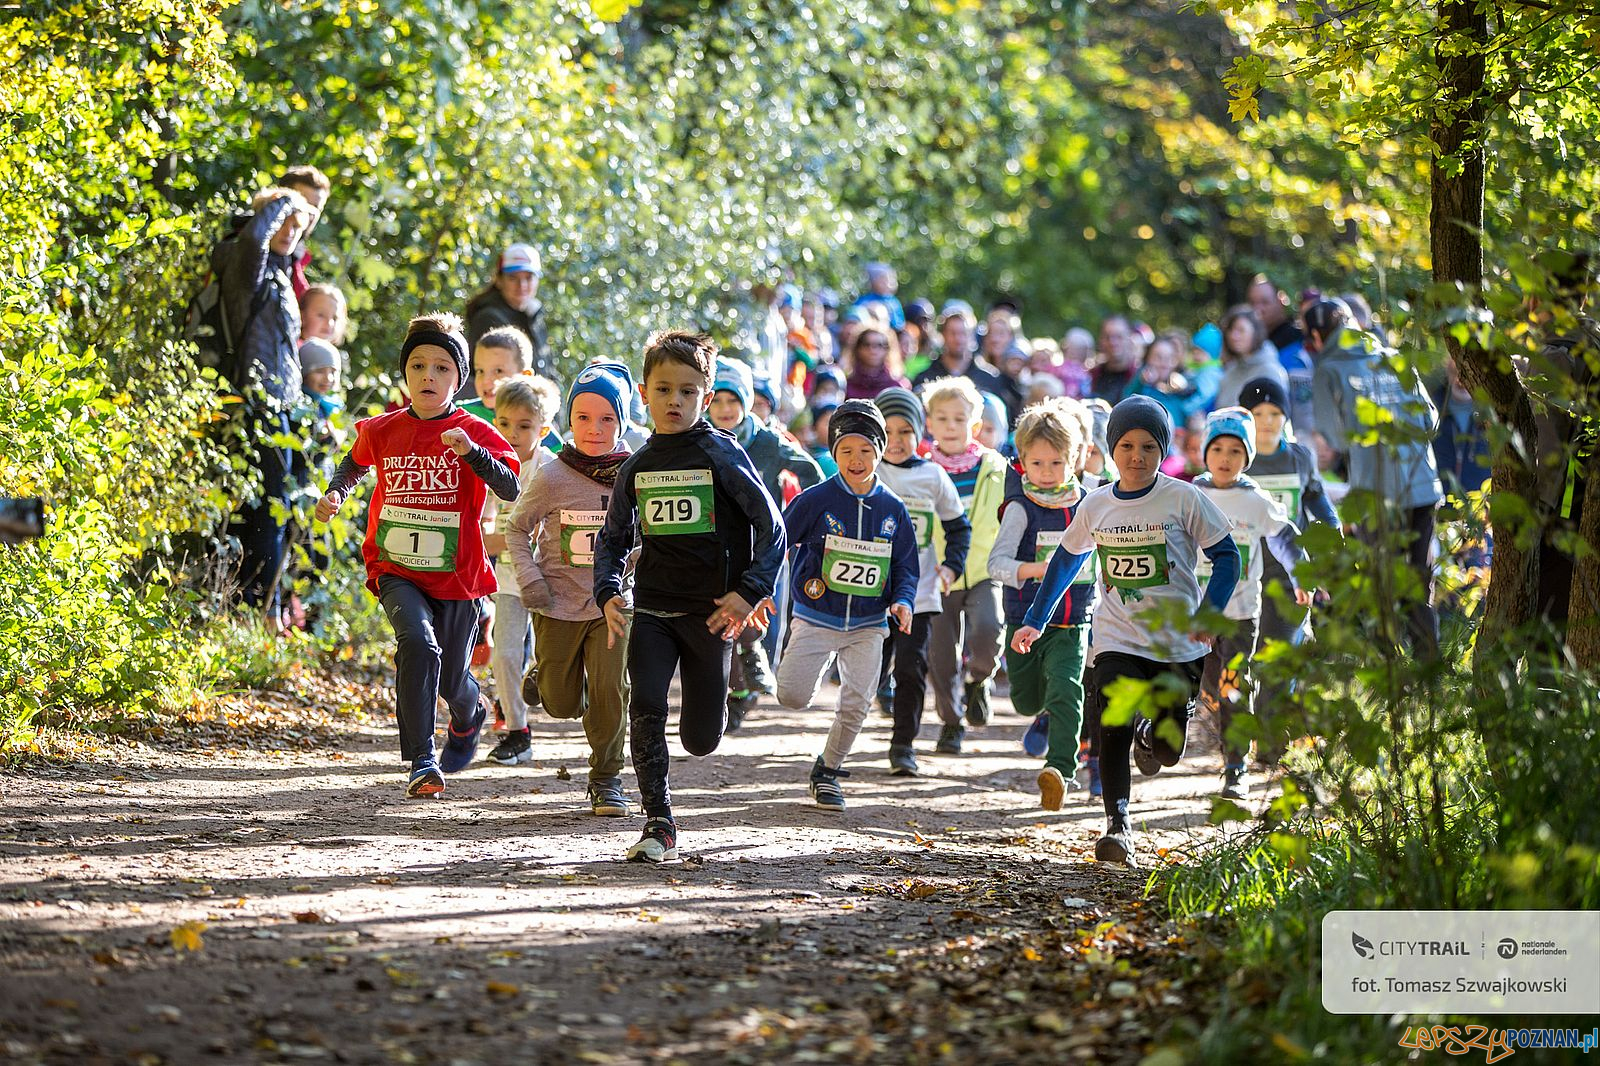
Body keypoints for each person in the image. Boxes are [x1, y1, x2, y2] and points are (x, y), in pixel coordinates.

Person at [1011, 395, 1239, 865]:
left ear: (1163, 449)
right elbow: (1065, 561)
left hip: (1178, 643)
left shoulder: (1183, 498)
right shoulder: (1096, 505)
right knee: (1112, 714)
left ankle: (1150, 734)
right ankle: (1118, 827)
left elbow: (1228, 557)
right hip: (1115, 638)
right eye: (1127, 446)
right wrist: (1036, 619)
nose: (1137, 456)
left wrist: (1208, 614)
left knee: (1169, 749)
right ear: (1111, 450)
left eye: (1149, 447)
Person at [592, 330, 786, 863]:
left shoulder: (722, 456)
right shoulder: (636, 465)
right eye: (663, 389)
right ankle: (659, 821)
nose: (674, 401)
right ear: (644, 394)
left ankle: (720, 701)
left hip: (711, 616)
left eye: (688, 391)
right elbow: (612, 540)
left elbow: (773, 530)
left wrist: (748, 593)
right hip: (652, 607)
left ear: (705, 395)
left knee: (702, 738)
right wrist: (609, 592)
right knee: (647, 705)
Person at [312, 313, 521, 797]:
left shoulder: (476, 430)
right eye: (419, 366)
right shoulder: (383, 430)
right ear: (405, 374)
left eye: (442, 368)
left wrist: (471, 453)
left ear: (458, 377)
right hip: (396, 568)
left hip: (459, 574)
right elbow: (353, 463)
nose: (429, 376)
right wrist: (337, 493)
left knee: (452, 680)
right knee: (418, 645)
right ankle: (423, 760)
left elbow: (510, 486)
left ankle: (471, 712)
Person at [504, 363, 638, 814]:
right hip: (557, 604)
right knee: (561, 704)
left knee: (609, 691)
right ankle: (544, 675)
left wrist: (635, 563)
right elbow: (516, 530)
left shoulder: (634, 474)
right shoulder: (553, 475)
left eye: (606, 419)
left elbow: (651, 535)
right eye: (583, 417)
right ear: (568, 420)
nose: (594, 429)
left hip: (613, 605)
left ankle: (606, 778)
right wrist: (530, 579)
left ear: (622, 422)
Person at [776, 401, 918, 810]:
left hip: (869, 623)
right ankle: (818, 664)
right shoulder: (816, 499)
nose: (856, 461)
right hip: (816, 616)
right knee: (791, 696)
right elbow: (779, 540)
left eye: (866, 452)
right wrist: (765, 586)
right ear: (834, 452)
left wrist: (903, 601)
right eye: (846, 452)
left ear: (880, 452)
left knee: (857, 701)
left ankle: (828, 770)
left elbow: (906, 565)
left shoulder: (892, 508)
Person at [1309, 298, 1443, 656]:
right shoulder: (1395, 357)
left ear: (1317, 338)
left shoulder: (1328, 368)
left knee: (1379, 587)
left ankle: (1390, 681)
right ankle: (1430, 673)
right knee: (1418, 582)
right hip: (1422, 485)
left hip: (1375, 493)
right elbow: (1431, 421)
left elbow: (1335, 438)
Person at [1190, 408, 1309, 800]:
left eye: (1236, 452)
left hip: (1241, 613)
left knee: (1233, 687)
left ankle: (1235, 767)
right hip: (1197, 613)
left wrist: (1301, 575)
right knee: (1208, 687)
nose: (1226, 459)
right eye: (1218, 449)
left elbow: (1285, 538)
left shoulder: (1254, 500)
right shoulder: (1192, 494)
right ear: (1205, 452)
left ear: (1247, 459)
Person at [988, 399, 1097, 811]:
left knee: (1069, 689)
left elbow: (1102, 558)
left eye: (1056, 463)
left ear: (1075, 460)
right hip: (1023, 621)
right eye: (1037, 464)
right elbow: (996, 564)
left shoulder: (1089, 504)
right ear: (1022, 462)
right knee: (1027, 700)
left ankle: (1060, 771)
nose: (1047, 473)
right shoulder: (1020, 508)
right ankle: (1043, 713)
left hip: (1073, 620)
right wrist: (1040, 570)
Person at [214, 186, 315, 619]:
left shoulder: (282, 273)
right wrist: (285, 203)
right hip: (257, 402)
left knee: (276, 509)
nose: (291, 231)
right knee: (262, 510)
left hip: (285, 403)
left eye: (299, 226)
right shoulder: (247, 267)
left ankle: (262, 606)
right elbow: (255, 239)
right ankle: (259, 610)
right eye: (285, 223)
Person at [708, 358, 823, 727]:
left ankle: (751, 672)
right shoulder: (702, 439)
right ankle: (733, 689)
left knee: (766, 613)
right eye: (718, 402)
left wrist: (797, 520)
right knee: (725, 610)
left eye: (734, 401)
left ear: (746, 401)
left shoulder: (767, 441)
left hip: (766, 543)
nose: (725, 411)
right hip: (719, 542)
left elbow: (810, 471)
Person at [1239, 375, 1341, 761]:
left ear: (1285, 416)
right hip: (1245, 573)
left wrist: (1331, 546)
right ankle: (1245, 734)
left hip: (1291, 571)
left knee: (1281, 654)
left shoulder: (1300, 457)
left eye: (1275, 413)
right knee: (1251, 656)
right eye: (1257, 413)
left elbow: (1320, 505)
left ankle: (1270, 745)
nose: (1267, 420)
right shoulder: (1233, 458)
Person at [872, 388, 971, 775]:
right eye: (888, 431)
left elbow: (958, 528)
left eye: (905, 432)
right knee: (868, 672)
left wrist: (950, 568)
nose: (895, 442)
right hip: (871, 594)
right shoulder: (870, 470)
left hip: (921, 595)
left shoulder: (933, 475)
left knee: (912, 669)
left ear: (919, 433)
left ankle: (902, 747)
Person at [478, 375, 561, 762]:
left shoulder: (553, 470)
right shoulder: (494, 468)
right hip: (509, 580)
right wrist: (503, 541)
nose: (512, 433)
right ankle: (516, 731)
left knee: (551, 659)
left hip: (553, 579)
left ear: (543, 428)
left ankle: (547, 686)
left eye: (524, 426)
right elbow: (484, 526)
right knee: (506, 654)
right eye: (504, 424)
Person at [923, 377, 1008, 753]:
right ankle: (951, 721)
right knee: (941, 655)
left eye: (960, 419)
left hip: (985, 570)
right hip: (939, 575)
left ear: (974, 425)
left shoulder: (995, 467)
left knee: (988, 632)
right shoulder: (923, 469)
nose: (951, 426)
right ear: (930, 424)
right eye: (942, 419)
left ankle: (979, 678)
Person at [464, 243, 551, 385]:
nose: (522, 285)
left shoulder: (533, 316)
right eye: (513, 278)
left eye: (528, 278)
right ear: (499, 280)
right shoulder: (488, 319)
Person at [911, 303, 1011, 417]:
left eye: (963, 333)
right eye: (953, 333)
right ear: (943, 335)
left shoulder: (990, 378)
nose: (958, 339)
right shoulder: (925, 379)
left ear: (972, 336)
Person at [1248, 275, 1314, 431]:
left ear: (1281, 301)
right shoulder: (1246, 346)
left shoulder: (1300, 342)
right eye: (1253, 303)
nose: (1258, 309)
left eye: (1265, 302)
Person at [1215, 305, 1286, 409]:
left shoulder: (1269, 371)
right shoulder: (1230, 371)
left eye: (1241, 330)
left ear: (1255, 332)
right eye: (1231, 330)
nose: (1234, 336)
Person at [280, 165, 331, 300]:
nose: (309, 214)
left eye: (316, 208)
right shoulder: (251, 241)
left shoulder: (297, 259)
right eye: (303, 204)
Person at [1130, 330, 1197, 435]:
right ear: (1147, 359)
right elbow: (1126, 401)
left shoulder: (1183, 388)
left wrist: (1186, 389)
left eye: (1169, 358)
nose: (1164, 363)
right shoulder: (1140, 386)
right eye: (1158, 357)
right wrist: (1141, 382)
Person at [842, 325, 911, 399]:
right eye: (866, 344)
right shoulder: (846, 385)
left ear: (888, 349)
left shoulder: (897, 387)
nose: (873, 351)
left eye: (880, 345)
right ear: (858, 348)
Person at [1090, 316, 1139, 405]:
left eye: (1119, 336)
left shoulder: (1140, 378)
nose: (1113, 342)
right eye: (1108, 337)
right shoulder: (1092, 376)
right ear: (1101, 341)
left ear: (1130, 338)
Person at [853, 262, 907, 330]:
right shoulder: (864, 301)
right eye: (882, 279)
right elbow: (854, 319)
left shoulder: (893, 302)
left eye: (887, 280)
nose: (886, 283)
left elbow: (899, 325)